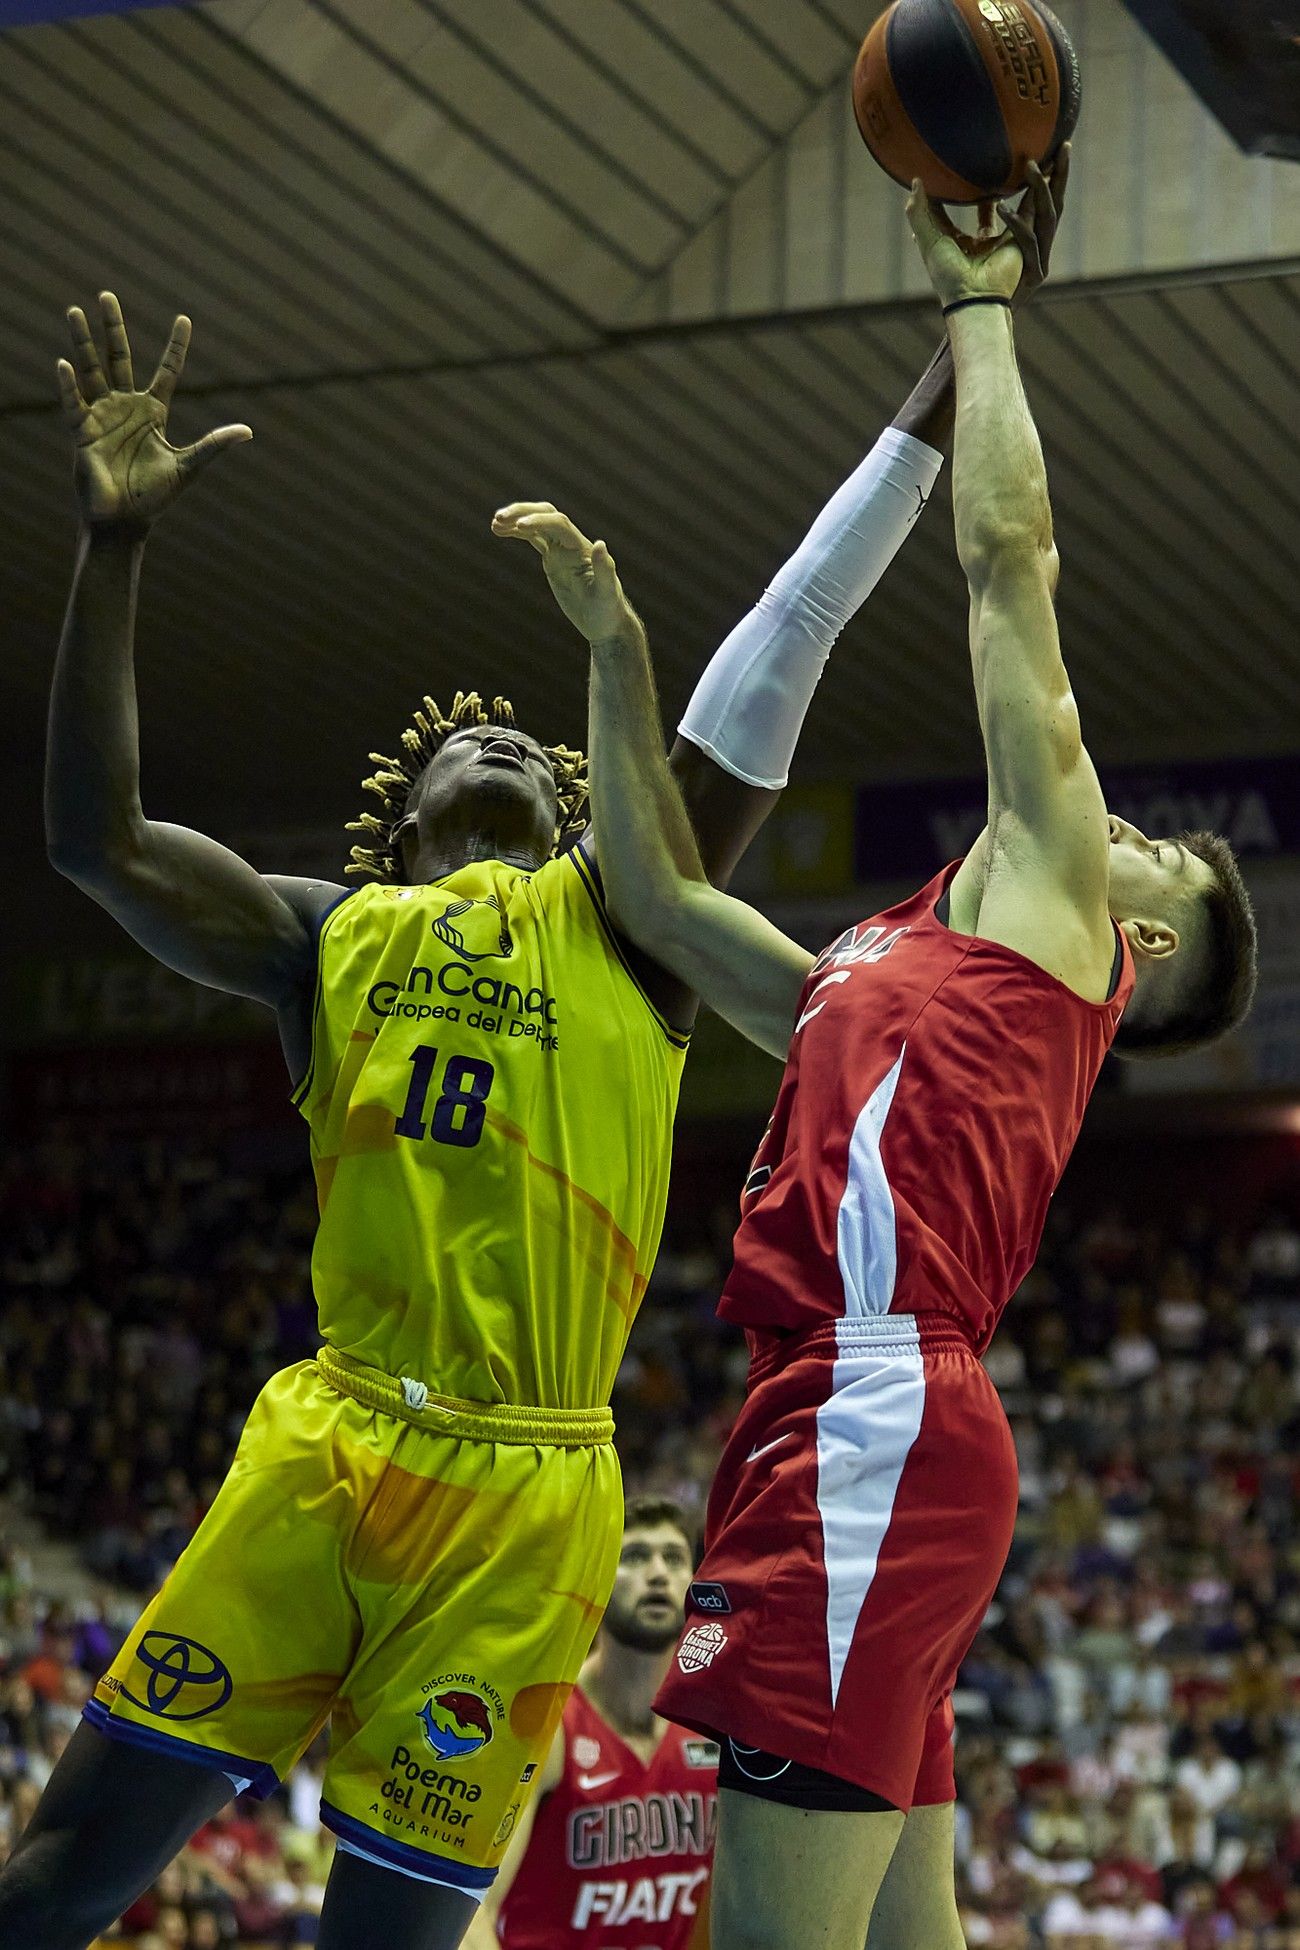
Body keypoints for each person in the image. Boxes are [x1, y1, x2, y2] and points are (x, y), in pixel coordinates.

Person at [0, 273, 968, 1950]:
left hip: (532, 1494)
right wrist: (114, 546)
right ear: (407, 814)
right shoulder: (328, 936)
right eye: (476, 735)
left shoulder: (630, 923)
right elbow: (99, 841)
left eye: (537, 733)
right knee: (65, 1876)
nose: (512, 737)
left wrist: (963, 356)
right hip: (333, 1445)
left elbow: (789, 632)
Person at [510, 160, 1258, 1950]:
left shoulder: (1055, 919)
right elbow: (667, 906)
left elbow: (1012, 565)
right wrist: (619, 662)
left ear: (1133, 944)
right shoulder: (896, 972)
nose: (1121, 824)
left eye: (1151, 853)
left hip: (873, 1412)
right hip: (852, 1419)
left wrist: (982, 310)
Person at [468, 1496, 715, 1950]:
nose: (658, 1573)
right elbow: (470, 1909)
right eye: (635, 1557)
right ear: (597, 1579)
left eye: (674, 1558)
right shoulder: (548, 1725)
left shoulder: (715, 1731)